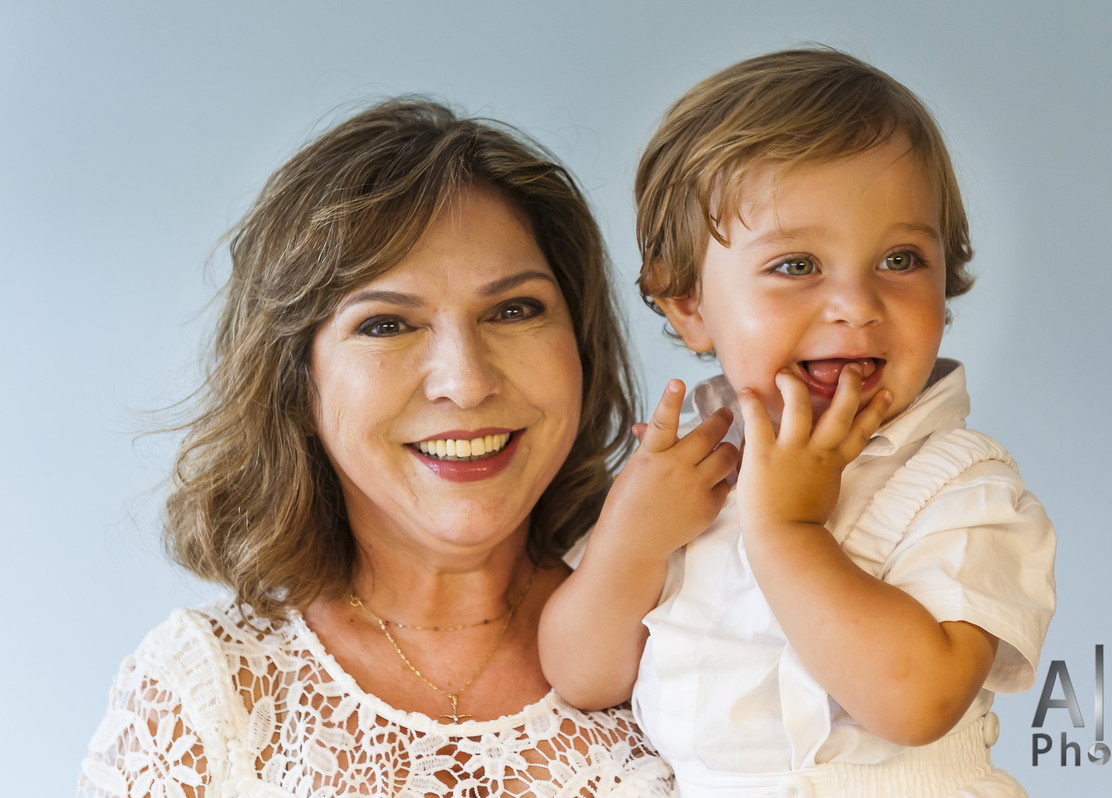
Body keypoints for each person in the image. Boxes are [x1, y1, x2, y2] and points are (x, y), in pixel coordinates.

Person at [79, 98, 676, 797]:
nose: (467, 381)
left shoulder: (700, 629)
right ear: (296, 378)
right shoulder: (207, 695)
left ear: (581, 344)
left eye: (514, 310)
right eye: (388, 324)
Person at [540, 48, 1057, 797]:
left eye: (901, 258)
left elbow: (919, 701)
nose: (856, 303)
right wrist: (632, 542)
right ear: (689, 306)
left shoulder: (962, 487)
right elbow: (581, 677)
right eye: (796, 266)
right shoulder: (687, 476)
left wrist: (790, 533)